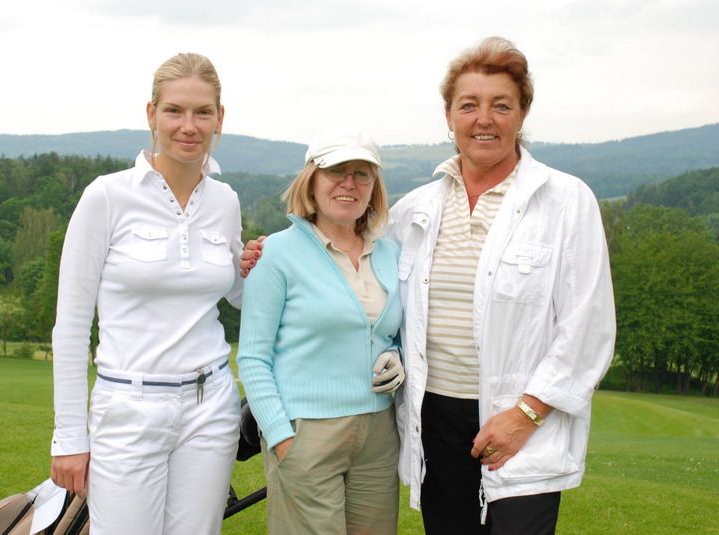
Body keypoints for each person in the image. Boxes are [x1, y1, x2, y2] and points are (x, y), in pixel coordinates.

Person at [242, 37, 616, 534]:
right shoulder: (416, 211)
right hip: (434, 421)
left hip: (519, 423)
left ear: (523, 113)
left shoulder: (566, 202)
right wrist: (262, 254)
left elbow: (588, 329)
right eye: (469, 105)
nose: (484, 119)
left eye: (501, 105)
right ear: (449, 116)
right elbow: (356, 274)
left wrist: (525, 414)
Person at [49, 52, 243, 535]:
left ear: (220, 118)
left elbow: (239, 295)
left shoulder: (226, 201)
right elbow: (71, 326)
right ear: (152, 114)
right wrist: (69, 437)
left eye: (203, 112)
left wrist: (260, 265)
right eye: (174, 110)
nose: (189, 126)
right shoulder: (106, 196)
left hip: (210, 407)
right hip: (128, 409)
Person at [237, 131, 405, 535]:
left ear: (374, 186)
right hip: (305, 432)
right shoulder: (275, 253)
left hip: (379, 434)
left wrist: (396, 353)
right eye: (336, 172)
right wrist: (281, 437)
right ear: (311, 181)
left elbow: (390, 332)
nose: (349, 183)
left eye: (362, 174)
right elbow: (253, 358)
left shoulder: (390, 252)